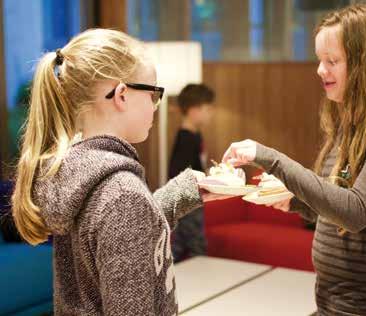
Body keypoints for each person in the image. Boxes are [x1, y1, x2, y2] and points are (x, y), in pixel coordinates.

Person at [222, 4, 366, 315]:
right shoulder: (348, 125)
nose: (321, 70)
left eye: (332, 61)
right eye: (320, 60)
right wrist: (295, 200)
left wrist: (271, 159)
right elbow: (332, 204)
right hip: (332, 302)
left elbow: (355, 212)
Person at [12, 28, 225, 315]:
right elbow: (124, 218)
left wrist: (181, 193)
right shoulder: (122, 194)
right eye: (153, 94)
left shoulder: (76, 171)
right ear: (122, 95)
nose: (154, 105)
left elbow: (118, 235)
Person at [169, 83, 215, 262]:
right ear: (193, 110)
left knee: (180, 244)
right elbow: (178, 172)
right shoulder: (186, 138)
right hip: (188, 201)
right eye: (208, 108)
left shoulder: (196, 135)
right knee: (196, 245)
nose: (211, 113)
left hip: (195, 200)